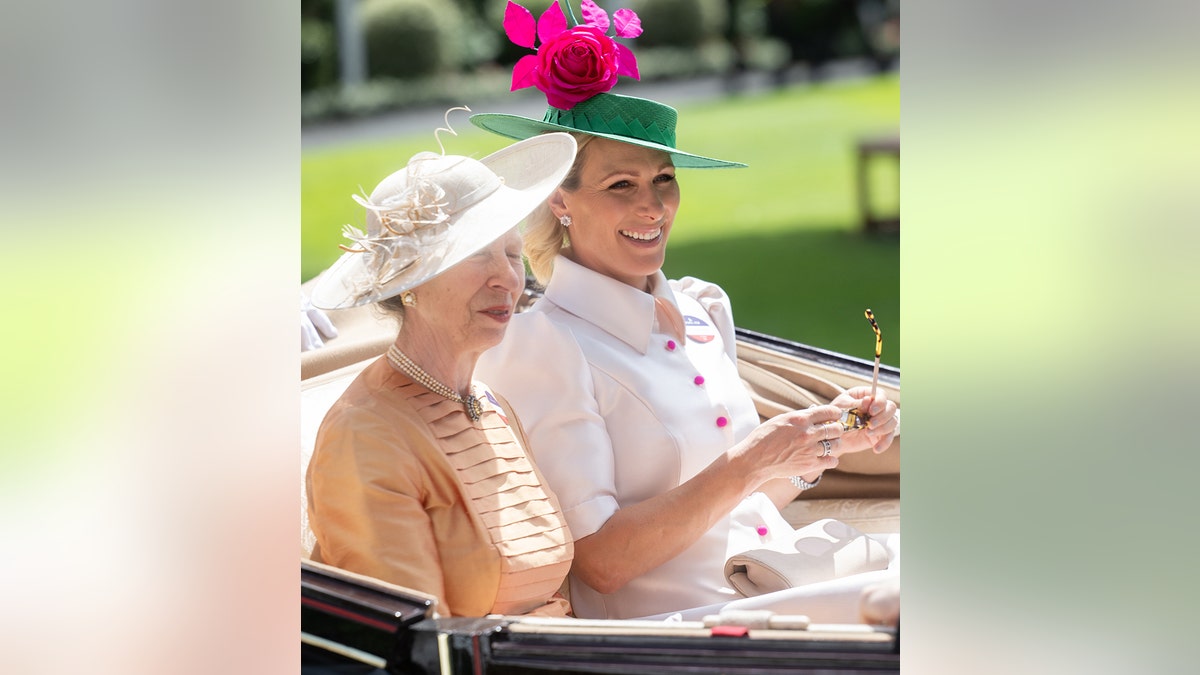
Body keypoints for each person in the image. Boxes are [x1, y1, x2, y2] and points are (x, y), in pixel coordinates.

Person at [471, 1, 899, 622]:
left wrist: (814, 447)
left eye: (664, 179)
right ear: (562, 202)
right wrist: (751, 459)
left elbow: (747, 501)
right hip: (684, 630)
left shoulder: (702, 310)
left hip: (780, 579)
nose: (653, 207)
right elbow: (600, 564)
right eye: (621, 186)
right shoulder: (544, 345)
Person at [304, 130, 581, 618]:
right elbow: (417, 646)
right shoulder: (365, 436)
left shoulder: (491, 404)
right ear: (411, 285)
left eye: (513, 254)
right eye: (477, 255)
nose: (508, 279)